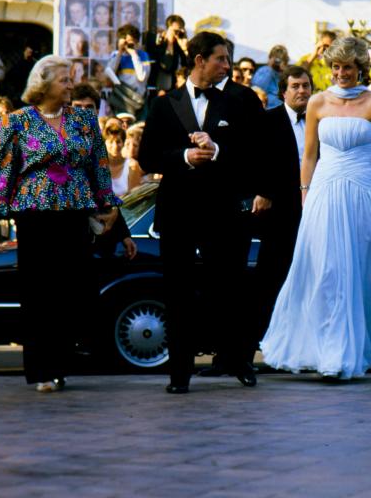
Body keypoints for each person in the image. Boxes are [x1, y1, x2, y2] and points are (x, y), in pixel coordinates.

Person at [260, 36, 371, 379]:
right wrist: (304, 193)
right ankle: (328, 351)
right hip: (324, 192)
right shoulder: (316, 103)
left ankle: (353, 350)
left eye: (348, 67)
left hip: (360, 191)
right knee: (324, 271)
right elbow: (310, 154)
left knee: (359, 268)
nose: (341, 73)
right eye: (336, 67)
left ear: (360, 68)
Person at [0, 55, 132, 392]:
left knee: (73, 291)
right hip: (35, 216)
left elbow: (99, 166)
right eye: (64, 79)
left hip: (75, 215)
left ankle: (62, 363)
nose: (71, 85)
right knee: (39, 294)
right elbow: (3, 172)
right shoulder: (16, 122)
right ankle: (41, 370)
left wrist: (110, 208)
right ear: (43, 83)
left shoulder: (84, 119)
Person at [137, 31, 258, 393]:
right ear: (199, 60)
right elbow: (146, 157)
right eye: (221, 58)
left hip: (225, 213)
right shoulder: (164, 103)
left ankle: (239, 361)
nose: (228, 65)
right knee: (177, 293)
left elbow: (257, 155)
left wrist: (218, 150)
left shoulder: (242, 99)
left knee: (231, 290)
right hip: (178, 213)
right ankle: (179, 374)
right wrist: (184, 158)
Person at [254, 66, 312, 341]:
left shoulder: (320, 121)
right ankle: (267, 341)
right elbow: (258, 164)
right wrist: (265, 192)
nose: (302, 91)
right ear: (283, 91)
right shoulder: (267, 121)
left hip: (314, 213)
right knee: (273, 279)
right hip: (278, 215)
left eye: (306, 85)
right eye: (296, 86)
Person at [103, 24, 151, 118]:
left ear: (137, 41)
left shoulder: (143, 56)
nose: (128, 45)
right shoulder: (116, 55)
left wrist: (134, 54)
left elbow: (142, 77)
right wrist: (120, 52)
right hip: (121, 99)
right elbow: (109, 74)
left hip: (137, 100)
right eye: (125, 42)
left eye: (131, 42)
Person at [102, 120, 142, 197]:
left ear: (123, 143)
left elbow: (134, 198)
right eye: (111, 142)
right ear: (104, 144)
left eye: (118, 142)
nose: (115, 146)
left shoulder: (132, 165)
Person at [251, 45, 289, 110]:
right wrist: (270, 68)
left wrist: (285, 71)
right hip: (266, 109)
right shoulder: (263, 70)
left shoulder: (288, 74)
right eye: (276, 58)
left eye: (281, 58)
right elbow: (257, 88)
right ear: (270, 58)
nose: (278, 61)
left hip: (282, 110)